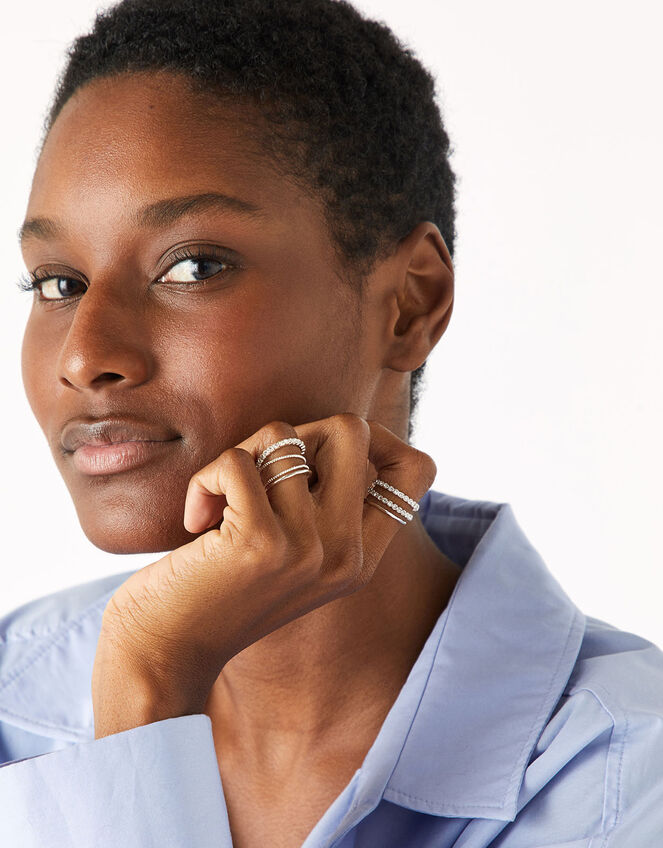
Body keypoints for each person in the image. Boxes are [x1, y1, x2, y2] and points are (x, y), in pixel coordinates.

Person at [1, 0, 662, 845]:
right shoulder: (10, 696)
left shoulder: (618, 775)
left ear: (408, 303)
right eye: (57, 282)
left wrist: (151, 689)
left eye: (192, 266)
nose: (84, 354)